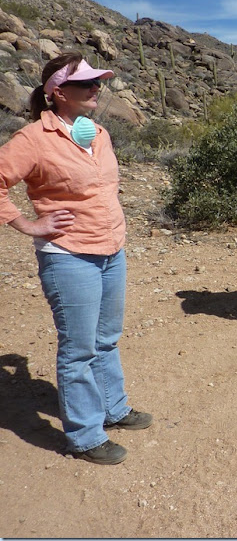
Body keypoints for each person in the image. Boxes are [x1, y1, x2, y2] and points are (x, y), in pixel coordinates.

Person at [0, 52, 152, 465]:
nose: (96, 88)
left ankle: (113, 408)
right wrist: (27, 224)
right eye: (86, 83)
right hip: (68, 255)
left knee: (106, 339)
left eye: (96, 82)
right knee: (79, 349)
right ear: (58, 93)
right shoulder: (33, 138)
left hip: (111, 249)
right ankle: (85, 436)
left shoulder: (98, 133)